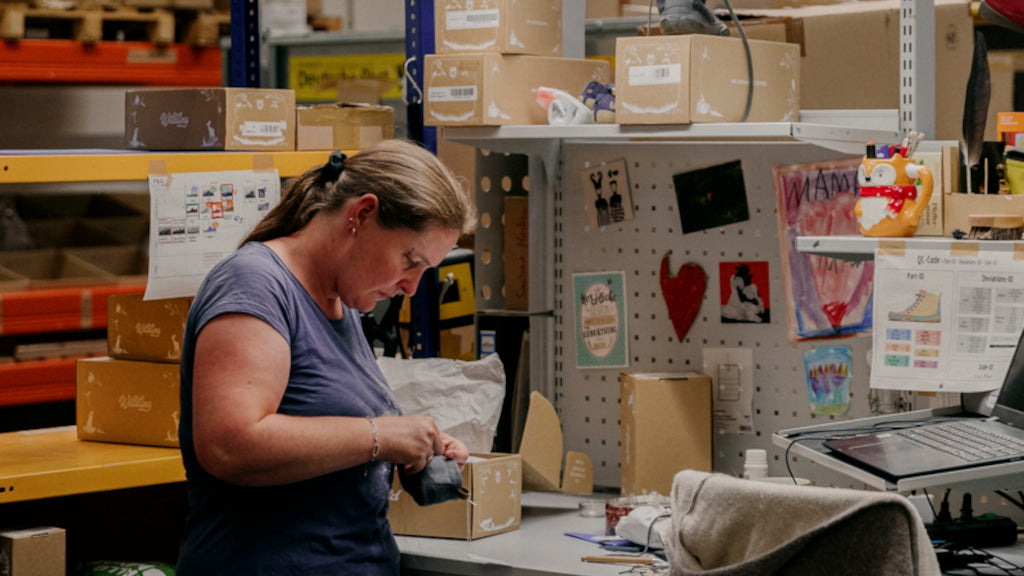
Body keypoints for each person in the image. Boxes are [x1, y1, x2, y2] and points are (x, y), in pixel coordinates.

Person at [176, 139, 476, 576]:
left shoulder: (342, 300)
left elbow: (327, 432)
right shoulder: (255, 285)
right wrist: (380, 436)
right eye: (409, 260)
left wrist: (414, 446)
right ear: (361, 214)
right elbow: (229, 444)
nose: (412, 287)